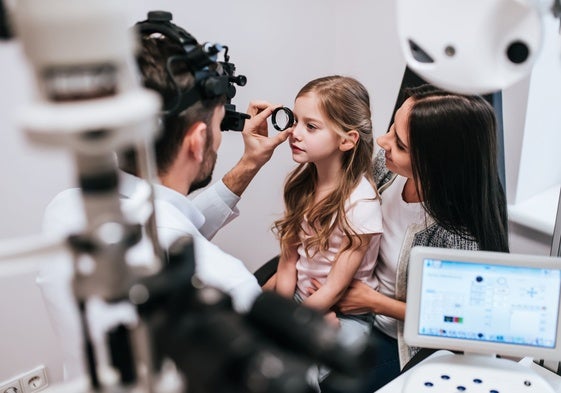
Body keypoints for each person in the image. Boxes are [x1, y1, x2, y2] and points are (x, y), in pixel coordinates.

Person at [38, 13, 289, 380]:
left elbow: (165, 226)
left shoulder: (65, 211)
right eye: (219, 128)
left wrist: (249, 164)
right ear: (197, 140)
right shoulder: (227, 285)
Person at [272, 76, 382, 350]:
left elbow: (334, 288)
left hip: (345, 313)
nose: (294, 133)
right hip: (300, 298)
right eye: (295, 121)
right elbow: (287, 263)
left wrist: (293, 321)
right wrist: (286, 313)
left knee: (306, 369)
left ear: (347, 140)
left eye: (310, 126)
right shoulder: (301, 185)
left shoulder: (361, 203)